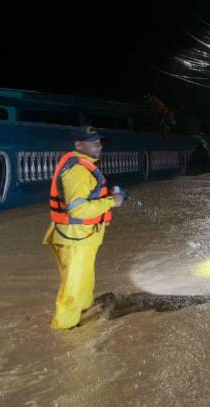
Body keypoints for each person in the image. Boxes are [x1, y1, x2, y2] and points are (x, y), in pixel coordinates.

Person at [43, 126, 127, 329]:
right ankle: (64, 330)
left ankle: (84, 314)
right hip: (75, 237)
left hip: (81, 237)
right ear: (78, 144)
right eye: (93, 141)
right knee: (73, 287)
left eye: (99, 141)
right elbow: (78, 210)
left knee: (83, 279)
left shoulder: (83, 165)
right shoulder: (77, 171)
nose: (99, 145)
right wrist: (112, 202)